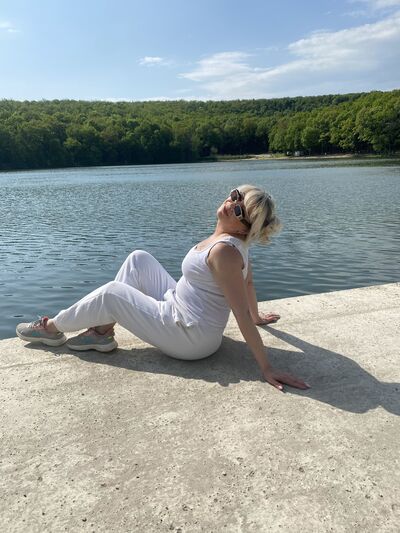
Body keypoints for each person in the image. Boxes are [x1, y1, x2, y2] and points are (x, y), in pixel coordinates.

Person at [16, 184, 309, 391]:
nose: (231, 204)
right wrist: (259, 317)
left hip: (190, 336)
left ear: (244, 227)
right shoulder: (232, 243)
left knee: (112, 293)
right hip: (179, 307)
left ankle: (52, 328)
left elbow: (240, 313)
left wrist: (266, 368)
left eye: (239, 209)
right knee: (138, 259)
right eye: (235, 196)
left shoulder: (225, 251)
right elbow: (249, 282)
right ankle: (101, 333)